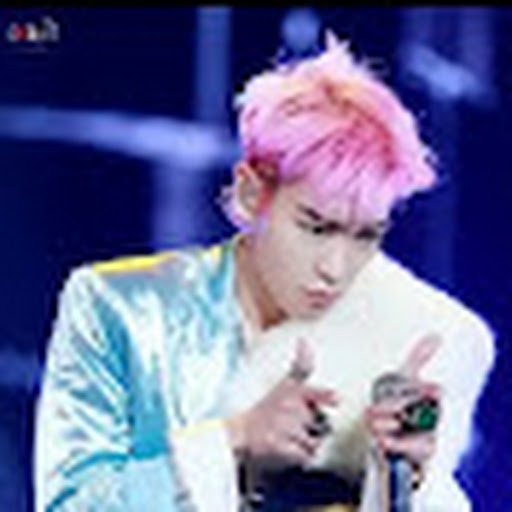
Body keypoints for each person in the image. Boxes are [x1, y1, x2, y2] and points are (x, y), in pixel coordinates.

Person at [34, 31, 495, 511]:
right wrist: (234, 440)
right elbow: (69, 504)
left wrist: (401, 479)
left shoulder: (406, 334)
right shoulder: (118, 307)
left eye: (365, 235)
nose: (335, 268)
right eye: (316, 227)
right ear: (251, 193)